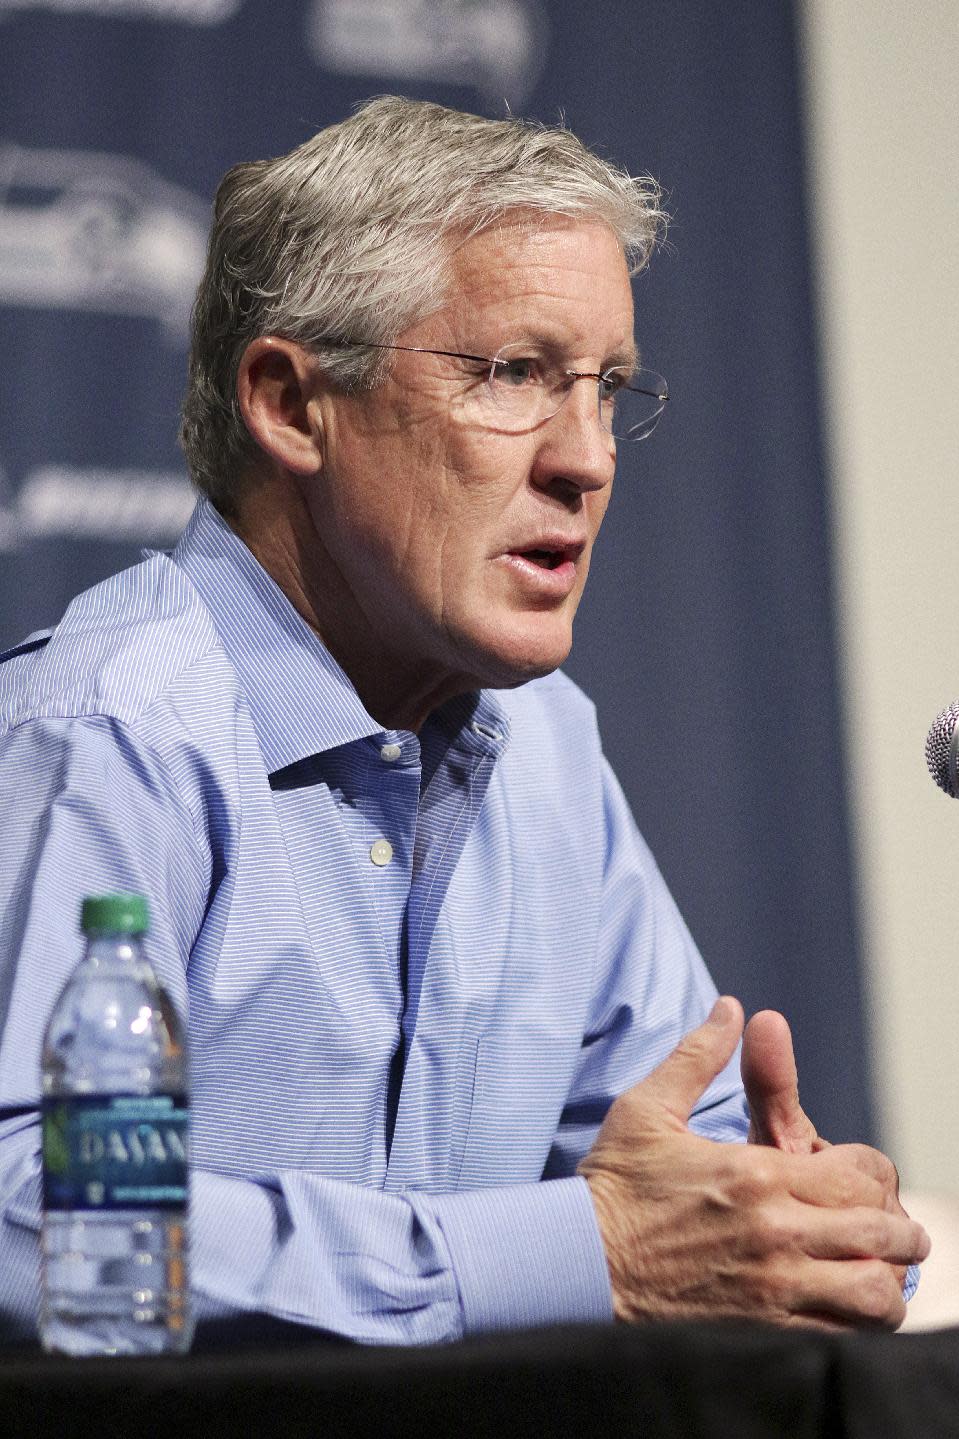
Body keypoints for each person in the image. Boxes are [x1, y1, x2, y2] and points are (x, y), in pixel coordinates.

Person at [0, 96, 926, 1344]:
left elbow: (683, 1194)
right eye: (515, 374)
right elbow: (37, 1223)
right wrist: (569, 1252)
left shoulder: (546, 752)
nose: (585, 459)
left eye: (605, 388)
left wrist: (789, 1222)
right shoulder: (103, 738)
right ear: (290, 402)